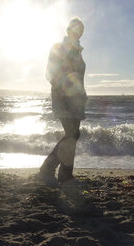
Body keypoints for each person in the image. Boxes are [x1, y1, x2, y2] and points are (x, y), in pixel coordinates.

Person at [39, 17, 87, 186]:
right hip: (64, 98)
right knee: (71, 134)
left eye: (81, 29)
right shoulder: (59, 48)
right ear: (68, 30)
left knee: (74, 135)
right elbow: (51, 75)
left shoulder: (78, 50)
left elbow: (78, 78)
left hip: (77, 99)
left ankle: (66, 174)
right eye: (75, 29)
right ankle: (48, 168)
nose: (78, 32)